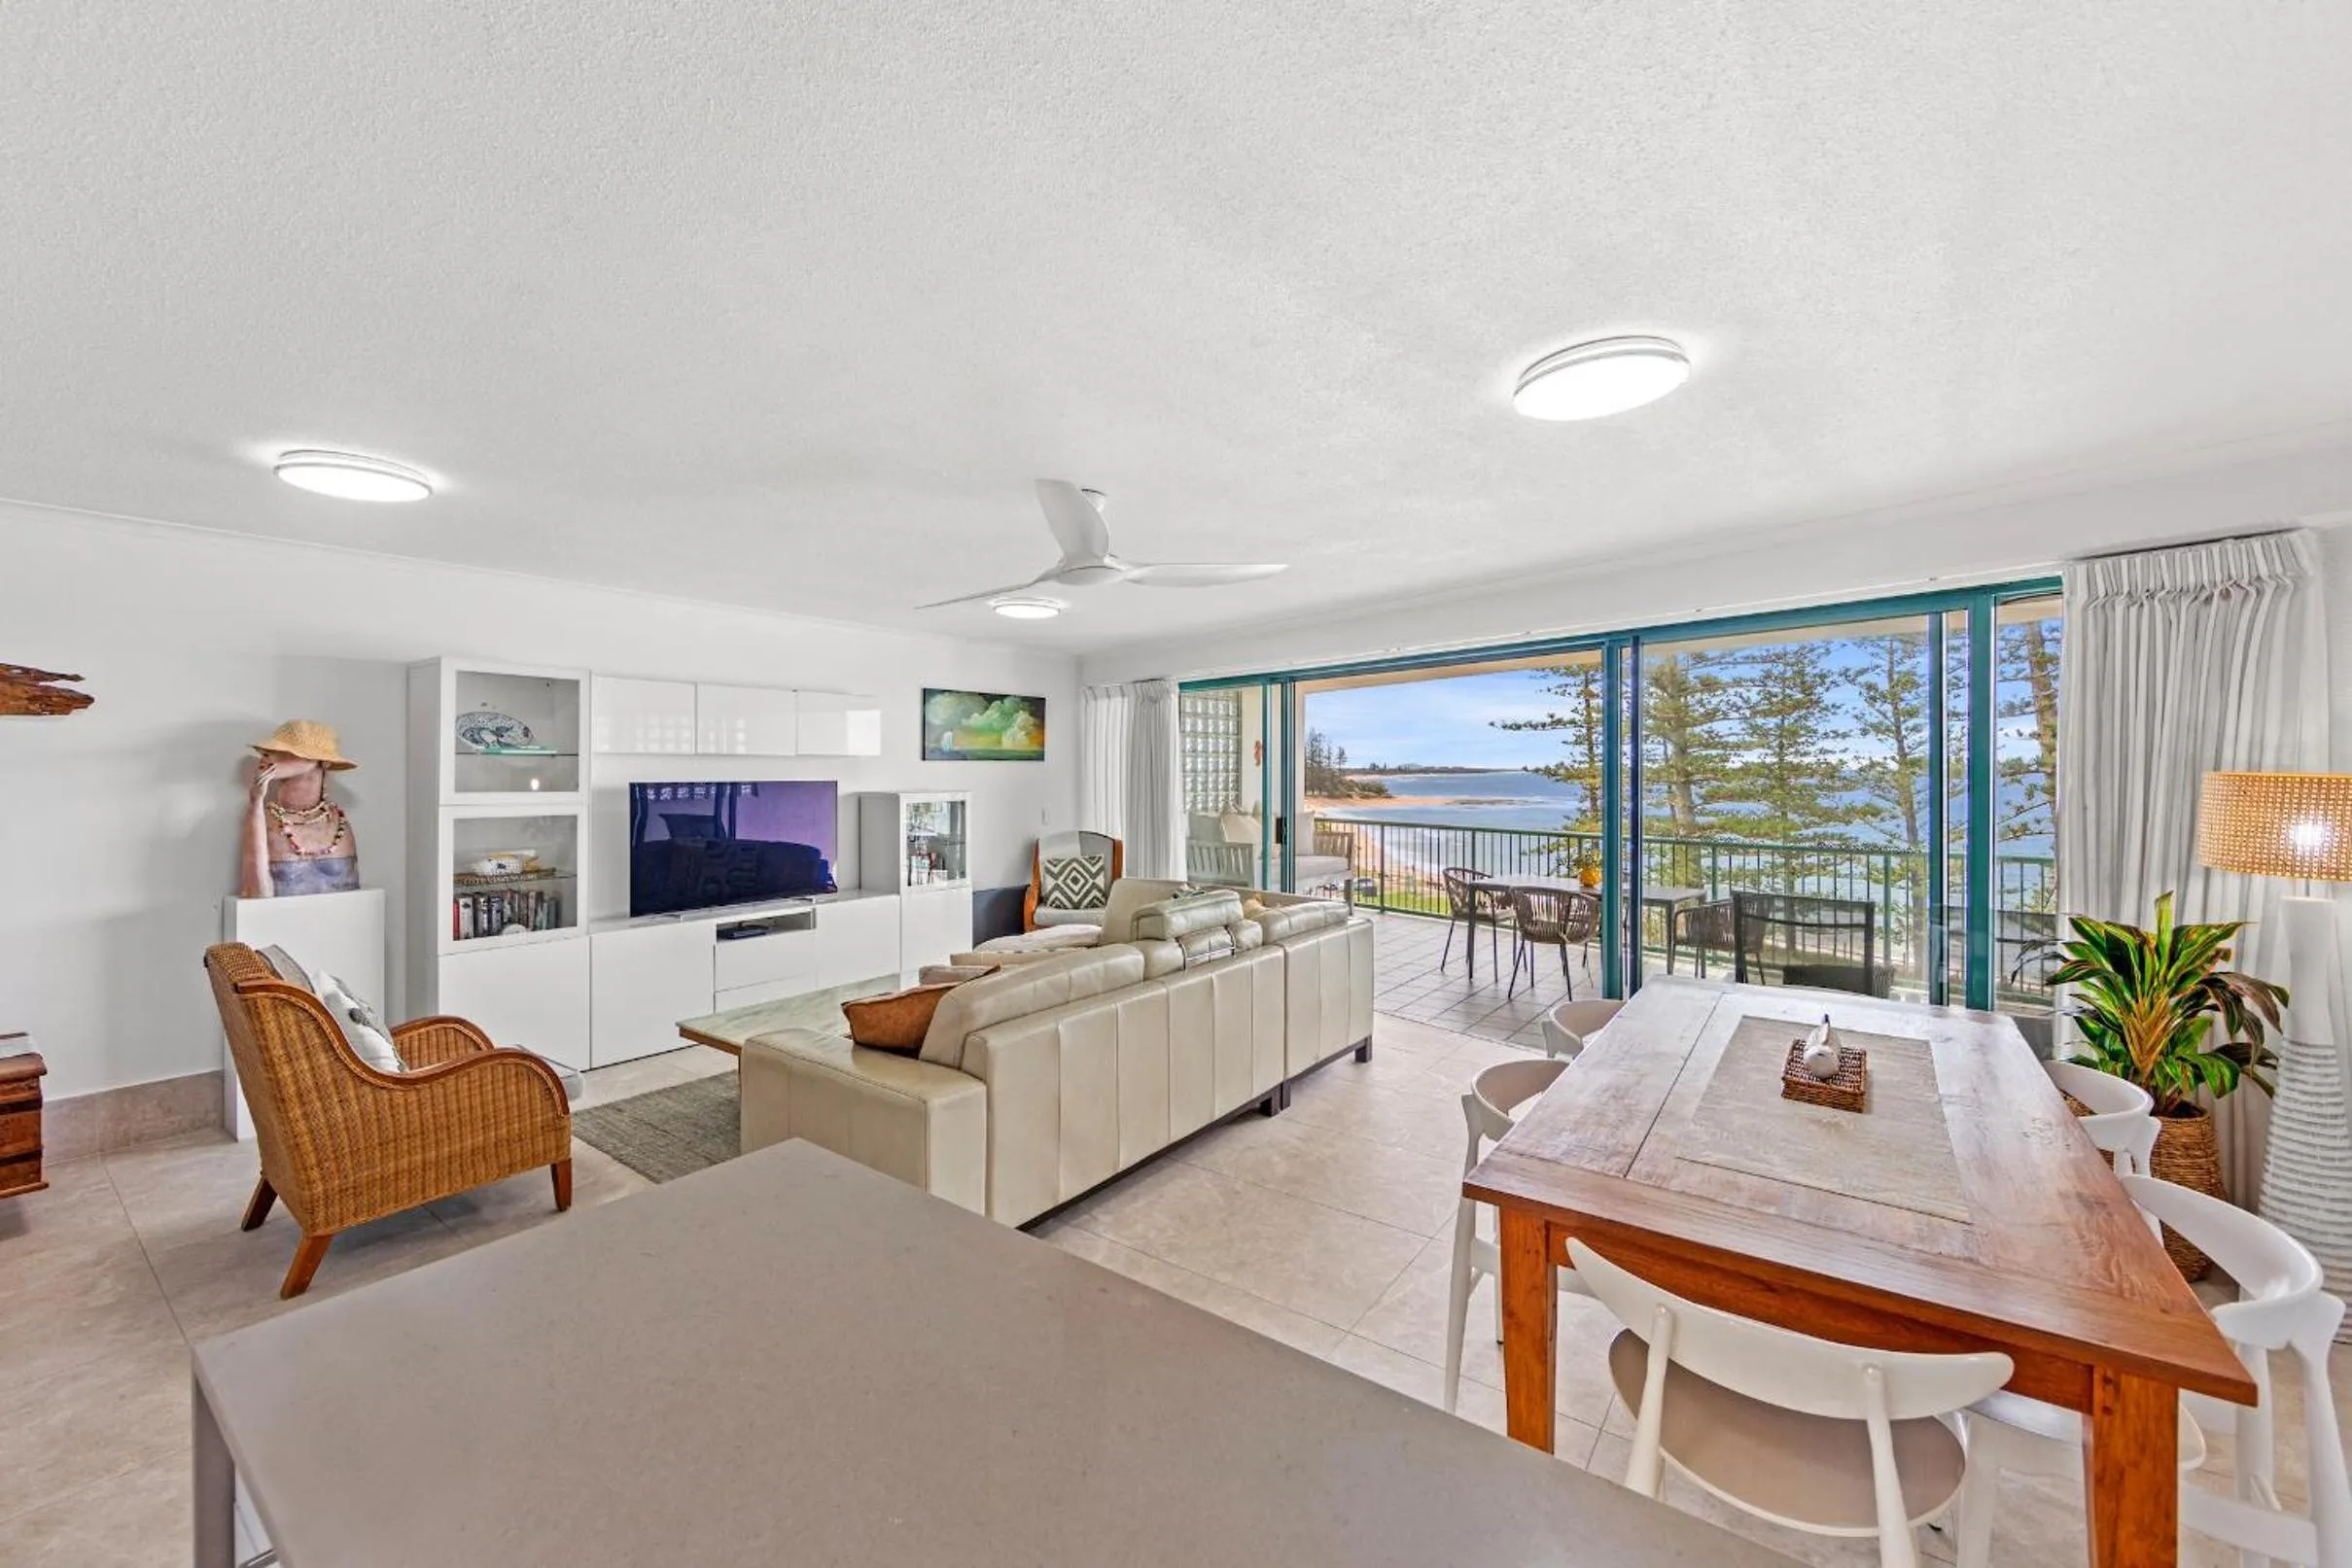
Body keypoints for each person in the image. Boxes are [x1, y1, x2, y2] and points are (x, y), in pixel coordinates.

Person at [240, 720, 360, 897]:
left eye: (287, 751)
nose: (267, 756)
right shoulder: (266, 821)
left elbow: (356, 903)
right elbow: (258, 896)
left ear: (323, 762)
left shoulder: (339, 824)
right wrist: (255, 804)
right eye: (270, 750)